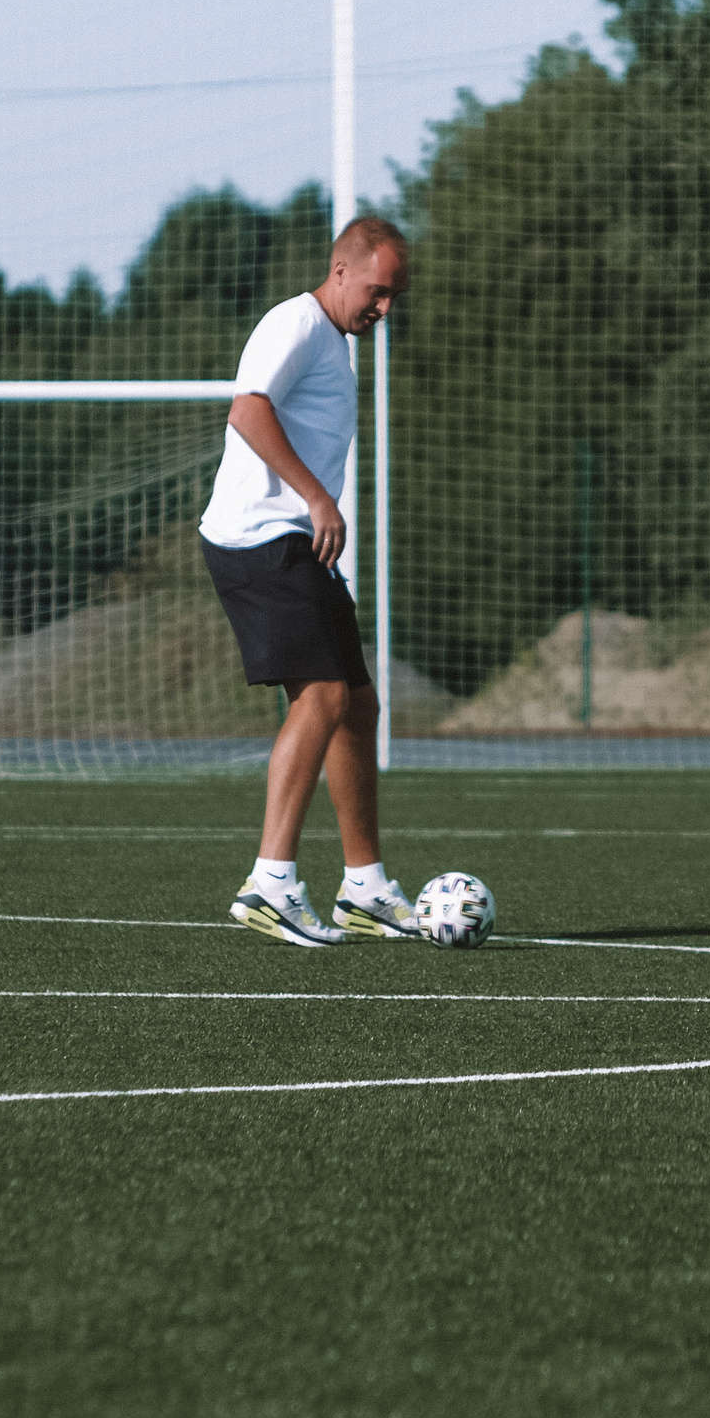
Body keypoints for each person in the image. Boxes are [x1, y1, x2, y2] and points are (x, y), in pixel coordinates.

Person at [199, 215, 417, 947]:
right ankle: (271, 882)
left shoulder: (332, 341)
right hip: (260, 538)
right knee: (321, 695)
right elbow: (247, 409)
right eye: (380, 291)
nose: (385, 308)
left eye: (395, 297)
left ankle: (366, 888)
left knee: (357, 704)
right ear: (342, 269)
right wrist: (318, 497)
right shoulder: (294, 323)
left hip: (298, 544)